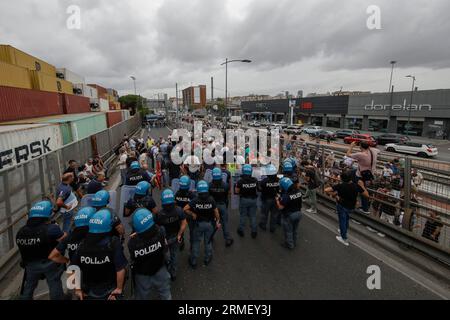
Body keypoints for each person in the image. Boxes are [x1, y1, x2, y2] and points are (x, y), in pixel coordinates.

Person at [72, 210, 128, 300]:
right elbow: (120, 269)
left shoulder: (82, 244)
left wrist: (77, 289)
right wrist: (119, 289)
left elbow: (72, 268)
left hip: (88, 291)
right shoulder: (113, 242)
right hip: (110, 291)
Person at [16, 201, 66, 300]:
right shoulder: (51, 228)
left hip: (30, 264)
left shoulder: (21, 231)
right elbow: (64, 239)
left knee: (29, 286)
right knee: (54, 283)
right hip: (49, 262)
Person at [128, 209, 172, 300]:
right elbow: (166, 250)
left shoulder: (132, 243)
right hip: (160, 269)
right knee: (165, 294)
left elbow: (133, 258)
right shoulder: (160, 232)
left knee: (142, 296)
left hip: (142, 274)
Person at [325, 170, 369, 246]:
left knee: (342, 220)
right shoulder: (356, 186)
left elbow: (326, 190)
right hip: (351, 207)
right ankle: (344, 229)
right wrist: (362, 186)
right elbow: (366, 195)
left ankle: (344, 238)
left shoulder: (340, 186)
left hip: (342, 205)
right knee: (346, 218)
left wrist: (335, 195)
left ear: (342, 179)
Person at [184, 181, 221, 269]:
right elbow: (216, 212)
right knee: (208, 242)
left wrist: (192, 214)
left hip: (198, 225)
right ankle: (207, 258)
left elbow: (185, 208)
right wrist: (218, 220)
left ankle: (193, 261)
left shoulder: (195, 200)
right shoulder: (211, 199)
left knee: (196, 242)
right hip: (209, 225)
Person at [155, 189, 187, 281]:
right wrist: (179, 235)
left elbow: (156, 228)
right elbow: (184, 223)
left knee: (164, 255)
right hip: (175, 237)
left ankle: (166, 271)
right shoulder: (179, 210)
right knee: (174, 255)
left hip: (164, 239)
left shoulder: (159, 214)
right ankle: (173, 273)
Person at [346, 141, 379, 214]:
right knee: (352, 172)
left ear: (360, 147)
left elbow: (348, 154)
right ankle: (364, 205)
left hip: (361, 176)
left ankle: (365, 209)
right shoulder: (374, 151)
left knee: (362, 190)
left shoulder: (360, 154)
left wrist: (351, 146)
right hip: (370, 174)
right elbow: (377, 149)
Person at [209, 168, 234, 247]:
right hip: (222, 205)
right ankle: (227, 239)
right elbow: (227, 195)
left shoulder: (209, 185)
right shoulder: (225, 185)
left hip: (213, 207)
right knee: (224, 223)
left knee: (213, 222)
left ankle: (210, 237)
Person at [276, 178, 302, 249]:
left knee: (288, 231)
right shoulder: (299, 192)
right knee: (295, 230)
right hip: (299, 213)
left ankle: (289, 244)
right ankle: (294, 242)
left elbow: (280, 207)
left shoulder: (286, 196)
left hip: (290, 215)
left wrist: (277, 201)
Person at [235, 164, 258, 238]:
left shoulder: (240, 181)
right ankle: (254, 231)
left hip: (244, 200)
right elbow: (258, 189)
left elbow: (237, 191)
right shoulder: (255, 180)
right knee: (253, 216)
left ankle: (241, 230)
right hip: (253, 200)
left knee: (243, 215)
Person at [175, 176, 196, 251]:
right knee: (192, 231)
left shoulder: (177, 194)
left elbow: (175, 204)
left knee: (181, 230)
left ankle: (181, 243)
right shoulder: (192, 195)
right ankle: (192, 246)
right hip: (189, 215)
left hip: (180, 215)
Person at [258, 164, 280, 233]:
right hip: (275, 199)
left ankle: (263, 225)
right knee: (274, 215)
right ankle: (272, 228)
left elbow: (259, 189)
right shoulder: (278, 180)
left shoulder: (264, 181)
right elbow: (279, 189)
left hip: (266, 199)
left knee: (264, 214)